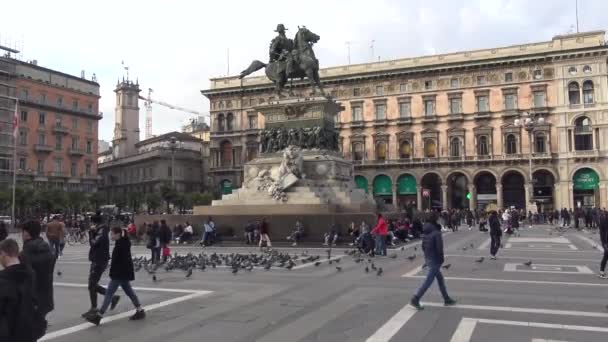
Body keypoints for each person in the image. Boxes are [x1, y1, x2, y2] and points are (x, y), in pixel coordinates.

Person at [83, 227, 145, 325]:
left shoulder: (121, 245)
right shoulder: (122, 242)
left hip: (119, 273)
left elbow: (121, 261)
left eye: (112, 234)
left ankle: (99, 316)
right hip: (123, 273)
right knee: (129, 292)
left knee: (109, 294)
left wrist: (114, 272)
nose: (110, 236)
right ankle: (140, 310)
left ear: (118, 234)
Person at [410, 212, 456, 310]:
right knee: (429, 280)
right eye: (438, 218)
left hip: (429, 257)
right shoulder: (436, 232)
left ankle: (446, 298)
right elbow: (439, 248)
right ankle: (416, 298)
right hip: (435, 259)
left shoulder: (426, 231)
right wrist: (441, 258)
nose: (440, 220)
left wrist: (427, 257)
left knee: (440, 279)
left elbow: (423, 246)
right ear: (435, 220)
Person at [19, 220, 55, 338]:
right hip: (46, 297)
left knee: (26, 333)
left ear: (26, 233)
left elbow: (23, 278)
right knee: (36, 330)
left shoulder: (25, 254)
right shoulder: (48, 250)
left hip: (30, 300)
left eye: (22, 232)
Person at [0, 238, 40, 342]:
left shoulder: (3, 279)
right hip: (28, 332)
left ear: (3, 254)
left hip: (10, 334)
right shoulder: (31, 274)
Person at [83, 214, 119, 317]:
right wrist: (94, 232)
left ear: (94, 222)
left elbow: (94, 243)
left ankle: (95, 308)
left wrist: (91, 233)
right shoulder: (101, 230)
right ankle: (112, 298)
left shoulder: (102, 230)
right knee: (92, 284)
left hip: (99, 260)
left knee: (92, 284)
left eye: (91, 222)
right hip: (99, 259)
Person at [598, 210, 608, 278]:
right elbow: (603, 234)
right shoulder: (604, 222)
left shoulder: (603, 221)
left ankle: (601, 271)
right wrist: (604, 243)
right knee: (606, 256)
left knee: (606, 256)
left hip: (605, 242)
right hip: (606, 242)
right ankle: (601, 272)